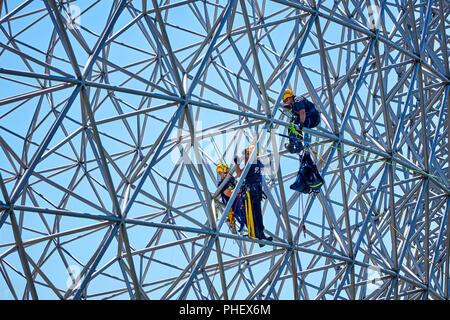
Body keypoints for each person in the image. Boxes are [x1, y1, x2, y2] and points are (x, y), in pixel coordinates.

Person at [234, 145, 273, 246]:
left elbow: (239, 174)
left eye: (248, 153)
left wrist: (237, 164)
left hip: (253, 193)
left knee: (256, 214)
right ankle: (258, 233)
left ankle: (260, 234)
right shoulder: (257, 164)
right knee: (255, 214)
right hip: (253, 193)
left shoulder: (252, 164)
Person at [216, 163, 240, 234]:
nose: (220, 175)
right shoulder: (222, 184)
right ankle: (232, 224)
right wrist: (238, 190)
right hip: (232, 205)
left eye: (221, 173)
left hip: (239, 202)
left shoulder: (232, 180)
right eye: (219, 173)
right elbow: (229, 193)